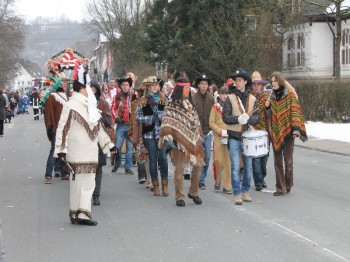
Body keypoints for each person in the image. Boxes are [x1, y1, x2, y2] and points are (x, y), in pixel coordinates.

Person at [54, 62, 117, 226]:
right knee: (81, 183)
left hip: (89, 152)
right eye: (87, 87)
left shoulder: (90, 106)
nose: (90, 90)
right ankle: (80, 214)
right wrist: (61, 149)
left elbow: (99, 128)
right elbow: (63, 128)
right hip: (77, 151)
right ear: (81, 88)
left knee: (84, 183)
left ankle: (78, 213)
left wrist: (109, 145)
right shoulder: (72, 105)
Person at [159, 77, 204, 207]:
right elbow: (167, 122)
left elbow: (195, 121)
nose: (188, 90)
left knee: (197, 166)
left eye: (188, 88)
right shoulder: (172, 104)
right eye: (185, 88)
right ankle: (179, 196)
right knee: (179, 169)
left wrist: (198, 135)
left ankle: (194, 192)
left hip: (194, 141)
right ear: (179, 89)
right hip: (178, 142)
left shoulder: (191, 103)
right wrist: (172, 138)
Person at [265, 71, 307, 196]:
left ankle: (288, 184)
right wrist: (267, 108)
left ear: (280, 81)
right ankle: (280, 188)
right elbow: (268, 116)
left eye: (275, 81)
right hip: (275, 133)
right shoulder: (271, 96)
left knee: (288, 162)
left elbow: (295, 112)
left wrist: (295, 130)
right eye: (272, 81)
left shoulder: (289, 96)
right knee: (277, 162)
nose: (273, 83)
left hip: (288, 133)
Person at [222, 68, 260, 205]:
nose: (237, 83)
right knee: (235, 167)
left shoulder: (253, 99)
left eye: (239, 80)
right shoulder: (230, 98)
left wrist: (248, 119)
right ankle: (237, 193)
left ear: (245, 82)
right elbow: (225, 117)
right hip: (234, 137)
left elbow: (257, 117)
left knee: (248, 166)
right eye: (236, 80)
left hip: (248, 137)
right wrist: (238, 119)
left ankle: (246, 191)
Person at [136, 76, 168, 196]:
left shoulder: (164, 99)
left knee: (163, 158)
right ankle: (155, 185)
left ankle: (165, 184)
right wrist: (150, 118)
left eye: (157, 85)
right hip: (149, 134)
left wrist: (159, 116)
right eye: (153, 85)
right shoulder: (143, 101)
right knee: (153, 159)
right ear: (148, 87)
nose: (156, 87)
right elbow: (138, 117)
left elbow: (169, 115)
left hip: (162, 133)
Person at [43, 73, 70, 184]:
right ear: (59, 83)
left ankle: (64, 172)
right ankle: (48, 174)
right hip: (57, 128)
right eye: (64, 82)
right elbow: (49, 114)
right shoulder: (52, 96)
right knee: (54, 150)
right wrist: (52, 127)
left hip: (66, 129)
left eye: (67, 82)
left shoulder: (67, 97)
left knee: (64, 150)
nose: (66, 84)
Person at [90, 80, 113, 206]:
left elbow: (109, 119)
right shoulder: (84, 103)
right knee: (88, 167)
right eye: (90, 89)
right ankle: (87, 192)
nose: (92, 91)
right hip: (86, 139)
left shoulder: (103, 103)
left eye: (94, 89)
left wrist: (101, 118)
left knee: (98, 167)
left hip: (99, 139)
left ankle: (96, 194)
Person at [192, 73, 215, 190]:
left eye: (206, 84)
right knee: (199, 157)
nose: (204, 86)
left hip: (209, 132)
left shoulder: (211, 98)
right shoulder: (193, 98)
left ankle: (202, 177)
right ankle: (199, 180)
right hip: (197, 133)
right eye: (202, 84)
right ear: (198, 85)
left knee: (207, 157)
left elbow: (215, 115)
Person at [209, 86, 232, 194]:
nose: (224, 96)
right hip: (218, 137)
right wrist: (220, 131)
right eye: (222, 94)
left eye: (226, 94)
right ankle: (217, 180)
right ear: (219, 95)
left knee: (228, 162)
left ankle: (227, 185)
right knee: (218, 161)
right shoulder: (215, 107)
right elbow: (211, 122)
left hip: (230, 137)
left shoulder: (232, 107)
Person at [111, 76, 135, 174]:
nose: (125, 87)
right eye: (123, 85)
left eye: (127, 85)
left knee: (129, 147)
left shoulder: (134, 97)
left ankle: (127, 168)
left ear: (129, 87)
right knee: (118, 146)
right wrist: (116, 116)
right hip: (121, 125)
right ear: (120, 86)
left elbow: (137, 109)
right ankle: (117, 163)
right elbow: (112, 108)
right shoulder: (116, 97)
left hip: (130, 126)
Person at [250, 71, 270, 191]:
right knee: (255, 158)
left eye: (258, 84)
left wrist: (268, 107)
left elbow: (270, 115)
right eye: (254, 84)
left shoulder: (267, 97)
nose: (256, 86)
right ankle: (258, 181)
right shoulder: (249, 98)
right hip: (253, 131)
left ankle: (262, 177)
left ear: (262, 85)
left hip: (265, 132)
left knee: (264, 158)